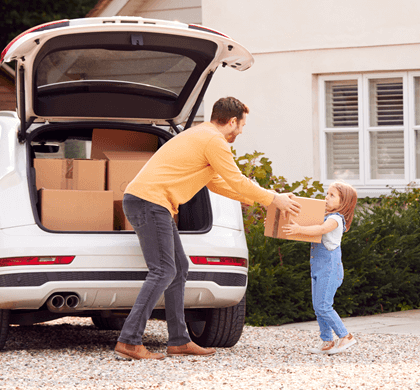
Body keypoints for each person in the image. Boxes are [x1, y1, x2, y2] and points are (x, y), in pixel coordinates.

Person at [114, 97, 301, 360]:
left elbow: (216, 183)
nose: (241, 131)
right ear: (232, 121)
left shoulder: (200, 135)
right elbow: (235, 179)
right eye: (242, 125)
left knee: (178, 268)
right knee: (164, 270)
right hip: (150, 202)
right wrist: (273, 198)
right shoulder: (214, 140)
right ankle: (129, 341)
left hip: (153, 202)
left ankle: (179, 340)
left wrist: (262, 201)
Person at [283, 182, 358, 355]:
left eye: (332, 195)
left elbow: (320, 229)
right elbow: (305, 220)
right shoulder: (325, 215)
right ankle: (327, 341)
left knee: (324, 306)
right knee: (318, 307)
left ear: (344, 202)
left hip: (330, 269)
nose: (327, 197)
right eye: (327, 194)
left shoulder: (336, 219)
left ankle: (345, 336)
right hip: (318, 268)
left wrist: (299, 228)